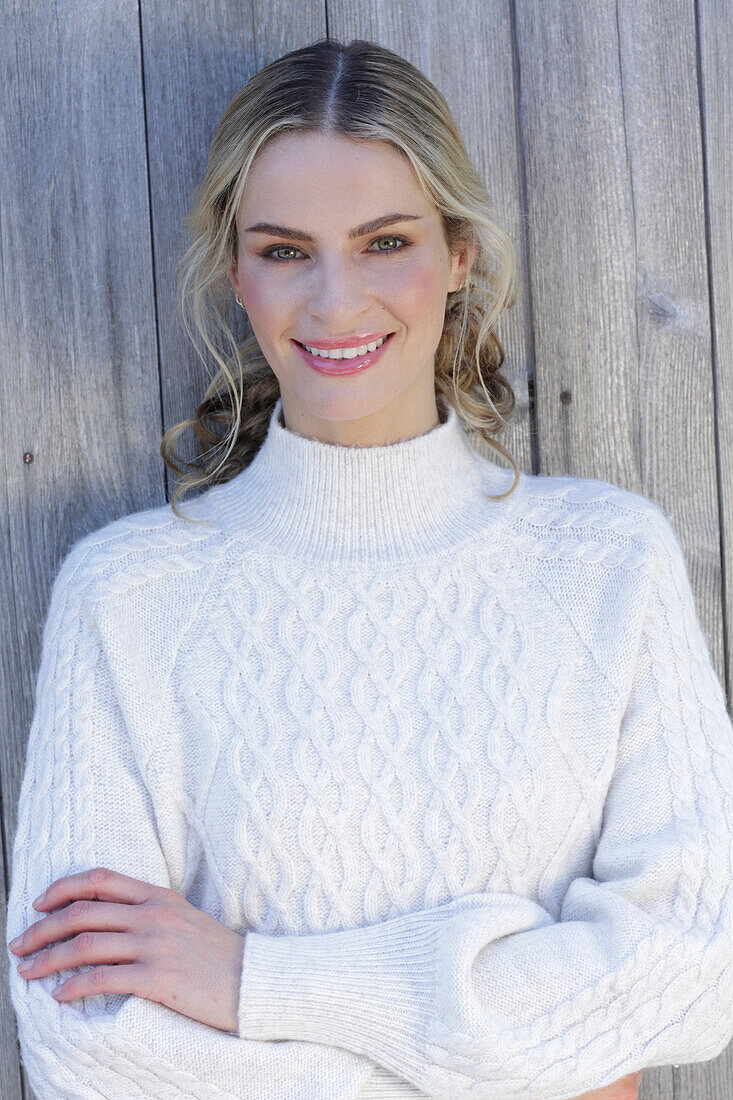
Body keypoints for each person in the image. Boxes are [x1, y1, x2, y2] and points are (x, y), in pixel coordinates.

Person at [6, 35, 733, 1100]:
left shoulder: (606, 565)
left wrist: (252, 980)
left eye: (385, 240)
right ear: (235, 270)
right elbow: (88, 1044)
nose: (336, 301)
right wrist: (532, 1050)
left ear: (459, 255)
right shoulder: (124, 598)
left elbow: (692, 967)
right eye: (287, 249)